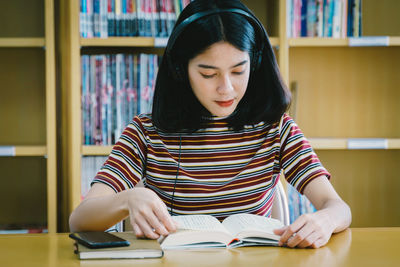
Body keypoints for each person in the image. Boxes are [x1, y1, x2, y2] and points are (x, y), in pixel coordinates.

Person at [69, 0, 351, 249]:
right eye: (208, 74)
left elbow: (338, 207)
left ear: (256, 62)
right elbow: (79, 220)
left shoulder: (277, 129)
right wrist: (127, 199)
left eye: (239, 70)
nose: (226, 88)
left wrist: (324, 220)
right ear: (181, 70)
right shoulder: (146, 132)